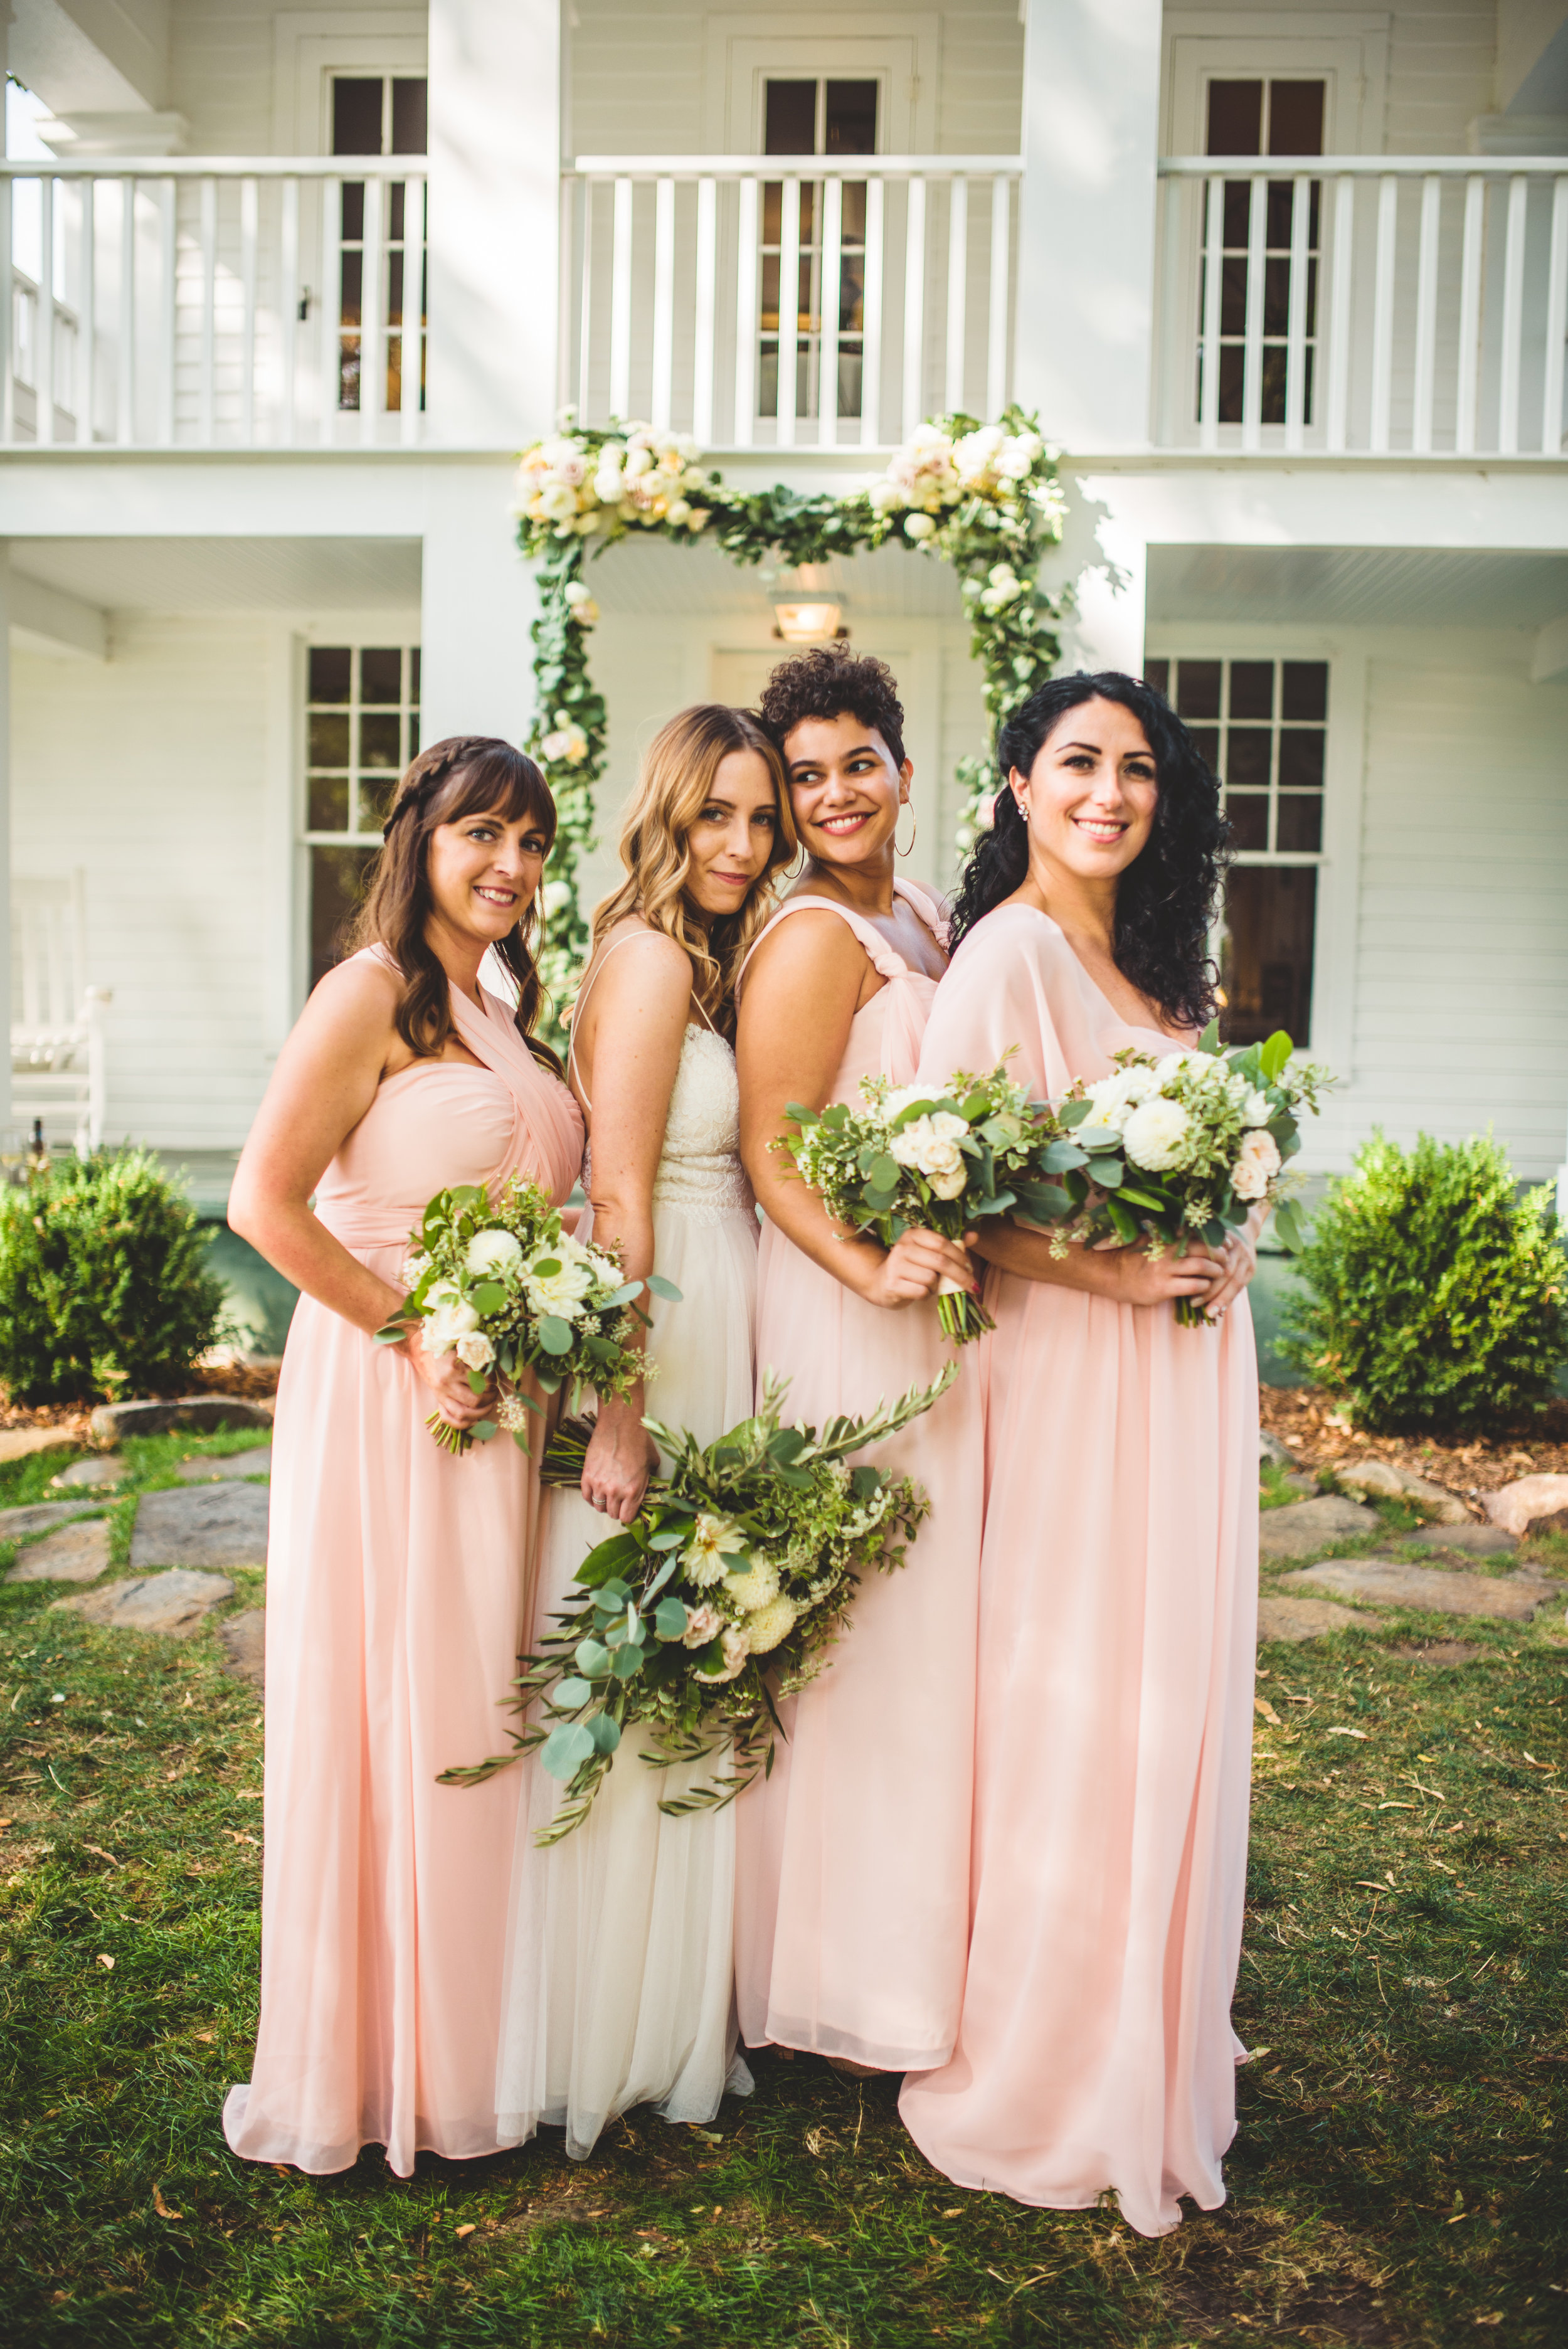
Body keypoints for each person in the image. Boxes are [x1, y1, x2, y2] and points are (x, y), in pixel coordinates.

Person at [898, 672, 1259, 2239]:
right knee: (1085, 1701)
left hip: (1182, 1379)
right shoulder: (1008, 956)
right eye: (1075, 764)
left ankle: (1151, 2015)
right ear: (1015, 789)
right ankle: (1053, 2055)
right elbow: (949, 1200)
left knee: (1168, 1693)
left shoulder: (1154, 972)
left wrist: (1230, 1235)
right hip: (1074, 1382)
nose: (1108, 791)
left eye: (1135, 769)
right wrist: (1112, 1275)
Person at [222, 738, 584, 2177]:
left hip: (501, 1409)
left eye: (533, 842)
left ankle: (476, 2031)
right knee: (406, 1703)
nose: (508, 864)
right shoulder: (367, 993)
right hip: (389, 1395)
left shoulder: (500, 1005)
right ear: (418, 841)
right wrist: (411, 1326)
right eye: (480, 834)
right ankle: (386, 2064)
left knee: (480, 1703)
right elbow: (265, 1200)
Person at [495, 704, 796, 2157]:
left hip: (714, 1304)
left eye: (759, 820)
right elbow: (615, 1193)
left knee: (687, 1647)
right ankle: (597, 2020)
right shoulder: (648, 956)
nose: (741, 845)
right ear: (666, 818)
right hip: (660, 1321)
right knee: (641, 1638)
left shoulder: (698, 957)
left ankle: (672, 1998)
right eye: (715, 818)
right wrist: (618, 1408)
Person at [733, 647, 983, 2075]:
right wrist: (868, 1264)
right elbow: (774, 1153)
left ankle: (922, 1954)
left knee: (928, 1633)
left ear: (900, 761)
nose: (833, 794)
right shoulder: (810, 936)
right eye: (804, 775)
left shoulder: (932, 917)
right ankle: (833, 1982)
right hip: (844, 1317)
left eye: (855, 762)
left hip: (931, 1312)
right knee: (860, 1640)